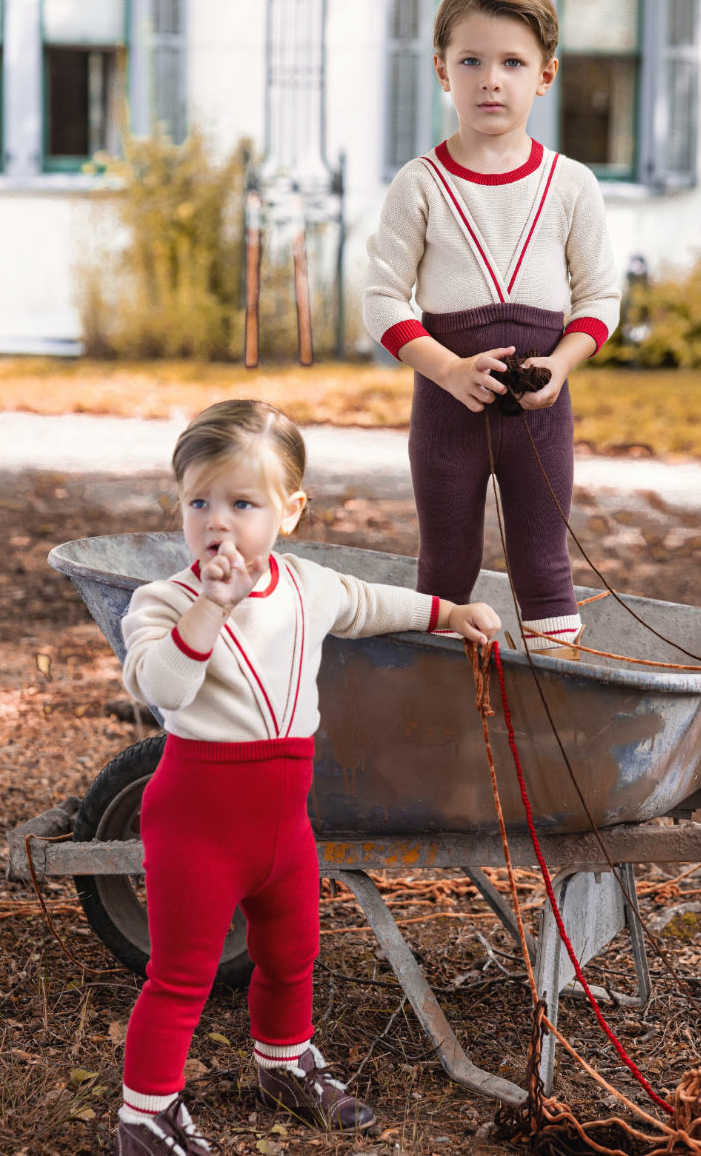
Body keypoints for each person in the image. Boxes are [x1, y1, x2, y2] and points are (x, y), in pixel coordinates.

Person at [114, 398, 501, 1156]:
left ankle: (284, 1064)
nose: (217, 521)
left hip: (283, 823)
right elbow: (161, 685)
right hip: (198, 822)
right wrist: (211, 611)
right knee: (181, 976)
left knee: (292, 953)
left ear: (289, 511)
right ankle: (145, 1118)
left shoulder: (305, 585)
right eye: (199, 502)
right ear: (180, 506)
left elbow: (367, 603)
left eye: (242, 503)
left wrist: (447, 613)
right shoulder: (163, 602)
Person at [363, 0, 621, 660]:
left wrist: (561, 366)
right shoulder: (421, 184)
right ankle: (437, 711)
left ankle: (555, 707)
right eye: (471, 61)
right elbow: (383, 298)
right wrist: (448, 370)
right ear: (443, 70)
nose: (490, 80)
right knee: (445, 568)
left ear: (545, 75)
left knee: (545, 568)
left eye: (512, 62)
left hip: (541, 414)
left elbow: (599, 299)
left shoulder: (571, 186)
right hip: (447, 414)